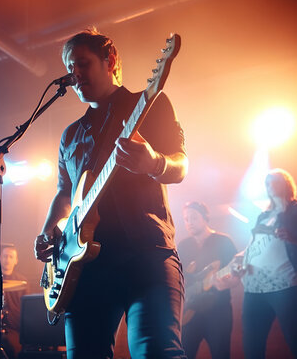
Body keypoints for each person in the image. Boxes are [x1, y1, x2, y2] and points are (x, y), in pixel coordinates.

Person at [34, 28, 188, 358]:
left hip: (146, 253)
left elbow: (181, 165)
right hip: (84, 266)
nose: (74, 75)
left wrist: (154, 162)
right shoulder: (70, 134)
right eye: (70, 68)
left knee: (157, 352)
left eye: (82, 64)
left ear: (110, 60)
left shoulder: (148, 104)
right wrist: (48, 231)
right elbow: (64, 193)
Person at [225, 169, 297, 359]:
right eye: (267, 183)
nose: (269, 185)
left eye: (274, 181)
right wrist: (241, 262)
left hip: (286, 286)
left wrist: (294, 238)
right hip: (253, 290)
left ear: (286, 184)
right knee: (252, 347)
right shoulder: (263, 215)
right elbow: (252, 247)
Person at [177, 201, 237, 359]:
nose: (189, 222)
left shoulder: (224, 241)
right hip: (188, 313)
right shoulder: (182, 246)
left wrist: (229, 283)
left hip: (218, 312)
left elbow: (237, 273)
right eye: (186, 219)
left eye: (194, 217)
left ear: (205, 218)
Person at [0, 246, 28, 359]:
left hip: (15, 328)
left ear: (16, 260)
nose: (7, 259)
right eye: (5, 256)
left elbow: (27, 309)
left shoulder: (22, 282)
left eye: (11, 257)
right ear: (0, 258)